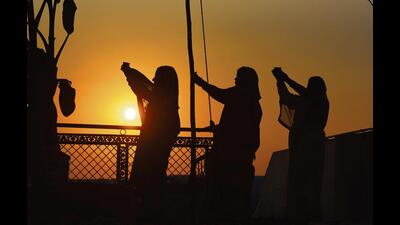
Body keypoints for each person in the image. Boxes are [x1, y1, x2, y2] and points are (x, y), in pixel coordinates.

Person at [194, 67, 262, 224]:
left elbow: (219, 94)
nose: (235, 79)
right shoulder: (254, 103)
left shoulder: (241, 94)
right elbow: (237, 126)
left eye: (238, 77)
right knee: (238, 196)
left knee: (227, 195)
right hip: (242, 155)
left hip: (231, 156)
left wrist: (200, 82)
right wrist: (219, 129)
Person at [121, 63, 180, 224]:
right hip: (153, 154)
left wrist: (128, 73)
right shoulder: (166, 101)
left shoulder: (162, 102)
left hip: (152, 154)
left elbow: (142, 88)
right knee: (154, 178)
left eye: (157, 77)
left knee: (150, 179)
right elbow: (143, 87)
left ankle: (150, 214)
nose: (154, 79)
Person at [271, 67, 329, 224]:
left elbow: (297, 95)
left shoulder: (319, 101)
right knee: (300, 178)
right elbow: (287, 98)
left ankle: (309, 213)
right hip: (304, 144)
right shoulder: (308, 101)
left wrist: (285, 79)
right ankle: (301, 212)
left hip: (310, 144)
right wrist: (281, 81)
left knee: (309, 178)